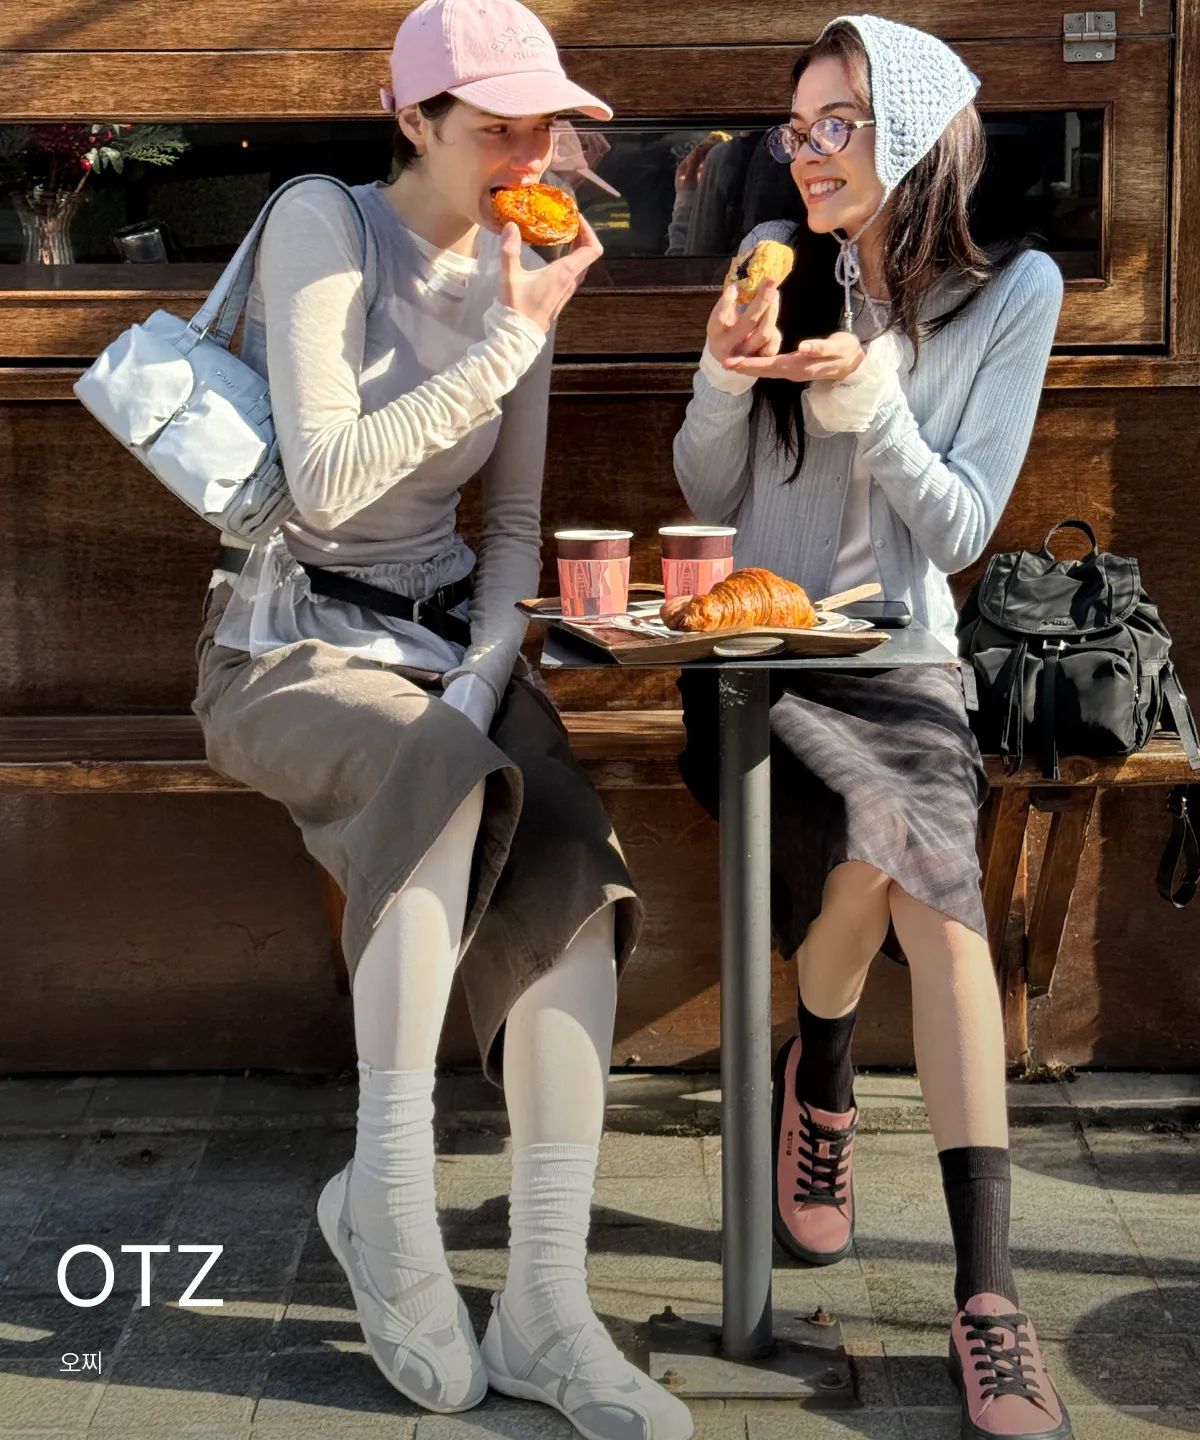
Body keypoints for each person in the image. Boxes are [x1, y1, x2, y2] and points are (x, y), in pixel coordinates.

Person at [192, 2, 693, 1437]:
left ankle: (546, 1305)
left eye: (547, 128)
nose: (531, 157)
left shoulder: (526, 261)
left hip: (440, 653)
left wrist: (482, 672)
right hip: (284, 643)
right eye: (497, 129)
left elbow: (514, 527)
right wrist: (503, 343)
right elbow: (328, 483)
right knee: (445, 773)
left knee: (575, 860)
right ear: (413, 119)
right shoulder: (326, 226)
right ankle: (392, 1209)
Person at [672, 15, 1071, 1440]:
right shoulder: (774, 261)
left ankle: (989, 1296)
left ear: (916, 133)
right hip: (759, 661)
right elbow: (704, 488)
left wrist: (877, 408)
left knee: (932, 895)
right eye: (798, 129)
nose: (810, 153)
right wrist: (723, 372)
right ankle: (823, 1073)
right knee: (875, 851)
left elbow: (960, 530)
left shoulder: (1012, 292)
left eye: (838, 123)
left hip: (903, 664)